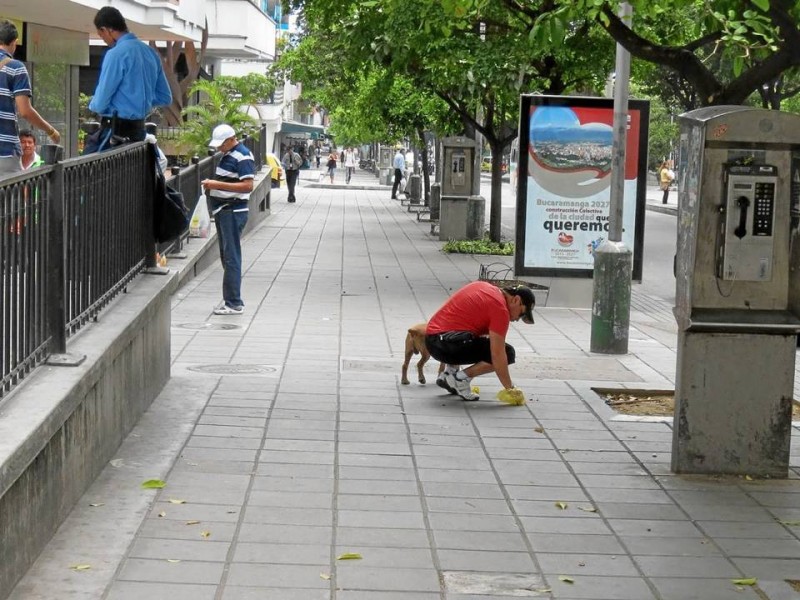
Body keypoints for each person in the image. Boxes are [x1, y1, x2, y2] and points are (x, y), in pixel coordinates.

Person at [425, 281, 535, 401]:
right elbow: (497, 354)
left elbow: (460, 320)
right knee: (508, 353)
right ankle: (459, 379)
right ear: (516, 300)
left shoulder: (484, 287)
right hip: (447, 344)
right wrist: (510, 388)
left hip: (432, 340)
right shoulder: (500, 309)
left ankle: (449, 373)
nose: (517, 319)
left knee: (475, 337)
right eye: (521, 314)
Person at [84, 7, 171, 154]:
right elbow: (165, 97)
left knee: (81, 172)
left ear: (107, 30)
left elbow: (99, 103)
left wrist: (93, 106)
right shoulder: (151, 53)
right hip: (139, 133)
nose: (103, 40)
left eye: (101, 35)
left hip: (114, 133)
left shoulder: (115, 54)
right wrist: (141, 100)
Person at [202, 124, 255, 316]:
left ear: (231, 140)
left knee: (231, 256)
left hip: (232, 210)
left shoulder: (243, 156)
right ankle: (231, 300)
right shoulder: (229, 155)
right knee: (227, 256)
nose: (218, 148)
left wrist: (215, 184)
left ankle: (233, 303)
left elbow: (248, 185)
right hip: (225, 210)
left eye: (221, 144)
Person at [0, 20, 60, 177]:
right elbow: (25, 111)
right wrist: (51, 131)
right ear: (15, 42)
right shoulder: (15, 67)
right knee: (9, 200)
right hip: (4, 151)